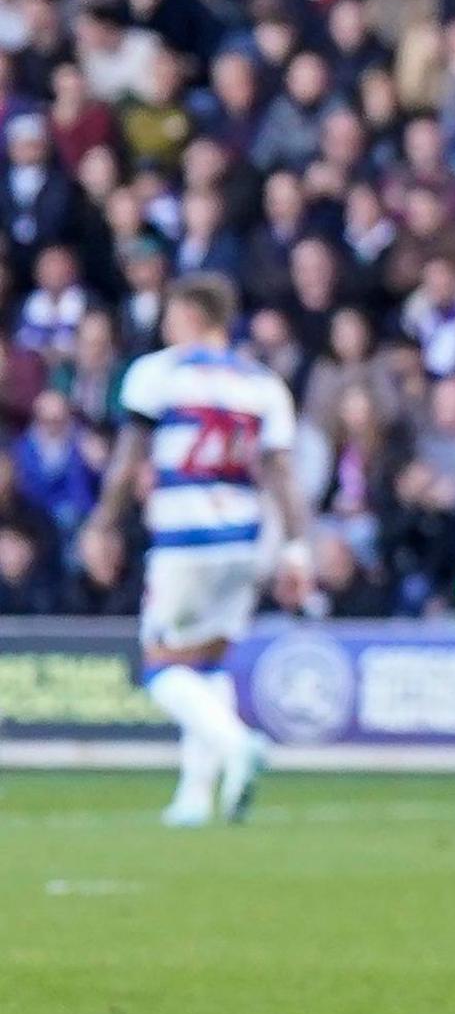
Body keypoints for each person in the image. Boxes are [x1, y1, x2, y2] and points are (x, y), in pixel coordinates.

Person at [79, 274, 300, 826]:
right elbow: (280, 476)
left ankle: (236, 744)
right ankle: (195, 796)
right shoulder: (263, 384)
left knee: (160, 667)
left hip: (184, 536)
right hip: (246, 538)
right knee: (208, 660)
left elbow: (129, 458)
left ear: (189, 315)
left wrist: (103, 525)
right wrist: (298, 550)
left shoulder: (158, 373)